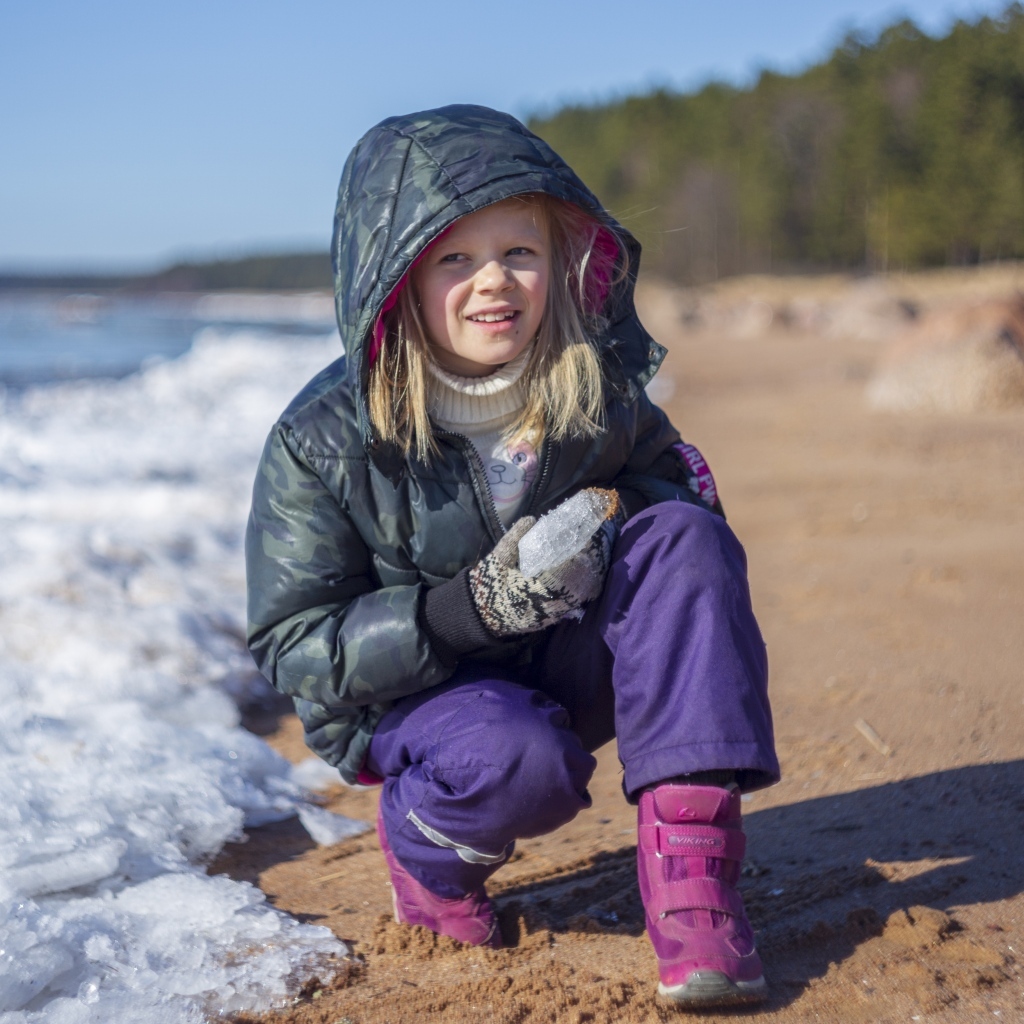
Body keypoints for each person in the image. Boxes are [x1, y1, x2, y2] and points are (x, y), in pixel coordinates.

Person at [245, 104, 779, 1009]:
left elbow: (678, 501)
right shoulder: (320, 440)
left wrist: (605, 517)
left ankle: (693, 880)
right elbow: (293, 641)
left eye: (518, 252)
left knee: (686, 541)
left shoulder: (592, 383)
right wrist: (466, 610)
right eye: (454, 257)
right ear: (396, 278)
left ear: (561, 258)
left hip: (564, 651)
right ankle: (427, 854)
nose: (493, 282)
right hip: (419, 698)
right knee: (518, 759)